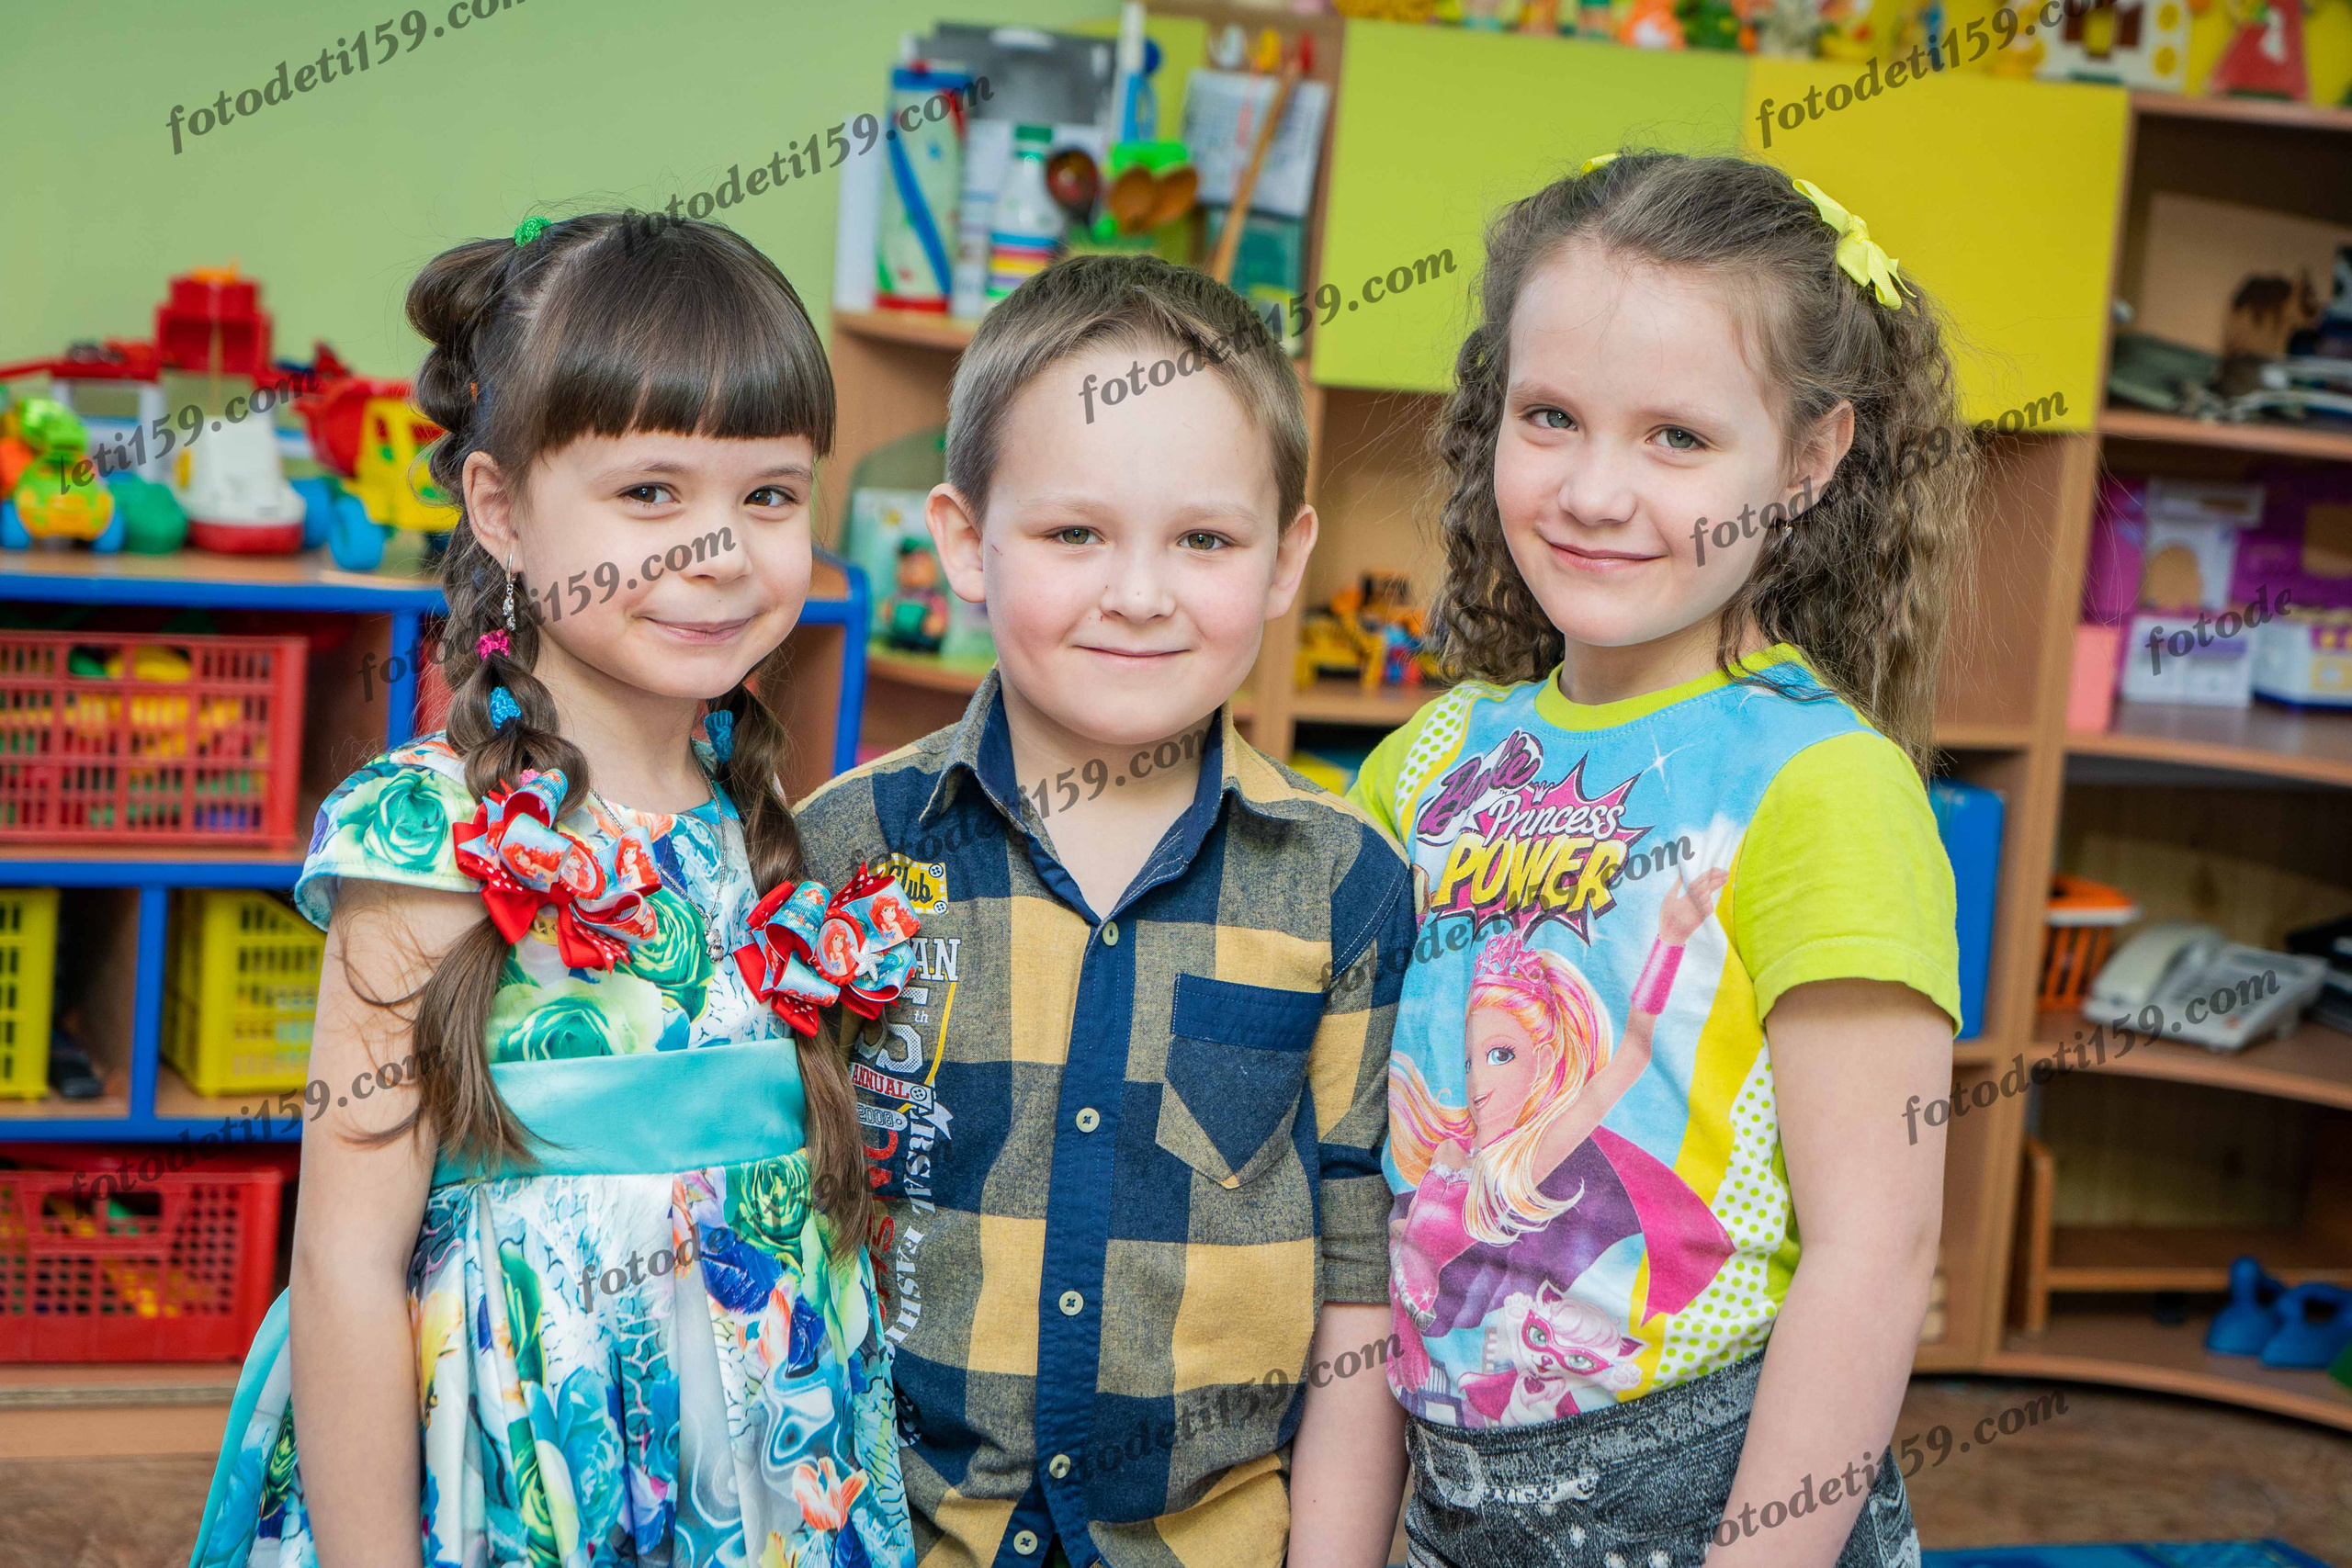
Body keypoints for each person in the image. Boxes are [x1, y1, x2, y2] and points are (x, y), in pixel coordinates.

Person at [187, 212, 915, 1568]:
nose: (720, 551)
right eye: (652, 494)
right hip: (518, 1479)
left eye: (768, 495)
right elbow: (343, 1267)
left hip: (762, 1481)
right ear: (502, 511)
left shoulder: (761, 824)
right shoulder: (432, 834)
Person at [1349, 152, 1966, 1567]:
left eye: (1676, 440)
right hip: (1454, 1494)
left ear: (1810, 462)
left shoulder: (1825, 788)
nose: (1593, 490)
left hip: (1709, 1492)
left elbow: (1875, 1253)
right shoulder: (1425, 766)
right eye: (1550, 416)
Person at [793, 254, 1416, 1568]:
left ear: (1287, 555)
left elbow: (1360, 1307)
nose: (1139, 593)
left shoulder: (1344, 886)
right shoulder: (840, 847)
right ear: (965, 543)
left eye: (1203, 539)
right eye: (1076, 534)